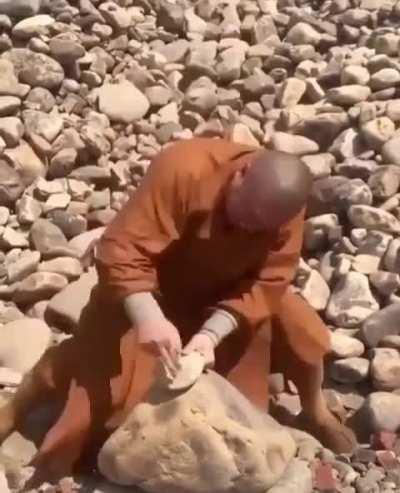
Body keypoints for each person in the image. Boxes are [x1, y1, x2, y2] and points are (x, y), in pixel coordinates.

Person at [0, 137, 357, 485]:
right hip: (143, 294)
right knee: (98, 415)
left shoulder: (283, 209)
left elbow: (270, 281)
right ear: (241, 173)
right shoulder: (183, 168)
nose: (247, 228)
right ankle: (22, 401)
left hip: (227, 303)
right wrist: (148, 317)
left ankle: (315, 411)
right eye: (242, 216)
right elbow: (120, 250)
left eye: (257, 228)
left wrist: (210, 335)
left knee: (301, 333)